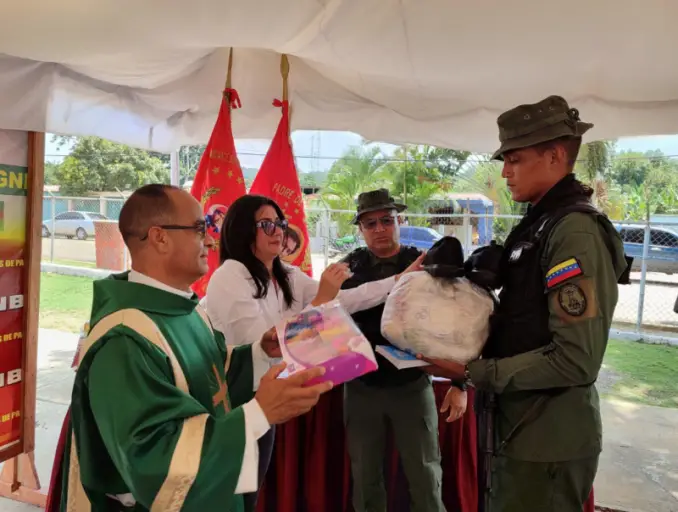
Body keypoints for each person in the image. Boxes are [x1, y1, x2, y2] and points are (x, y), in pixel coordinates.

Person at [54, 184, 333, 511]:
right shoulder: (125, 338)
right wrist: (259, 414)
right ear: (159, 237)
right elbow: (155, 461)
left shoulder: (186, 311)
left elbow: (213, 372)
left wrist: (259, 352)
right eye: (200, 229)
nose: (212, 240)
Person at [421, 96, 630, 511]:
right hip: (520, 427)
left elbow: (576, 359)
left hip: (547, 437)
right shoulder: (541, 221)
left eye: (514, 159)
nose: (505, 171)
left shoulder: (575, 232)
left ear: (554, 155)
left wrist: (471, 370)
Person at [201, 194, 424, 508]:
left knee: (249, 492)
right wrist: (321, 303)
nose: (278, 231)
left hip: (268, 399)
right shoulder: (230, 276)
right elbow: (264, 345)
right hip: (234, 401)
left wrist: (401, 279)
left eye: (280, 223)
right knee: (229, 494)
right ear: (241, 230)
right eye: (266, 224)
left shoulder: (285, 273)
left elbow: (349, 298)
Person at [341, 189, 467, 512]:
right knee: (365, 479)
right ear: (361, 229)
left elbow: (456, 323)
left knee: (425, 476)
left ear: (400, 221)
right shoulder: (347, 268)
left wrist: (459, 383)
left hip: (412, 387)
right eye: (370, 223)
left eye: (387, 220)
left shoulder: (425, 264)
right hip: (361, 388)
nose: (380, 229)